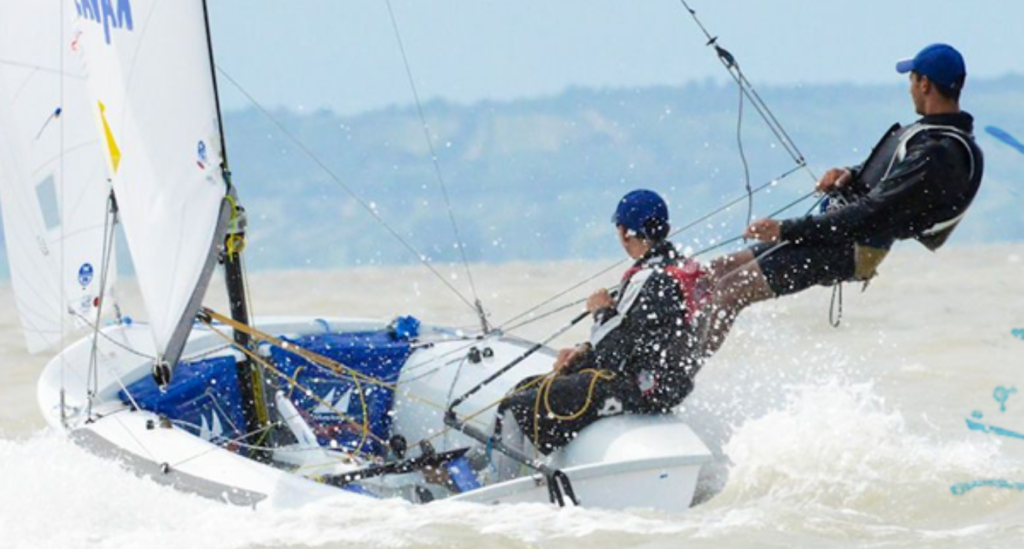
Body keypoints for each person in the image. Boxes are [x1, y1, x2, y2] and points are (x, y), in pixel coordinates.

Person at [702, 43, 985, 354]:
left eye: (911, 80)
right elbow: (879, 178)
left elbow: (871, 212)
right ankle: (658, 358)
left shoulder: (938, 152)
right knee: (714, 272)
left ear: (925, 83)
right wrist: (847, 173)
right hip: (836, 233)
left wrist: (785, 228)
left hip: (850, 247)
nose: (909, 90)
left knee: (729, 291)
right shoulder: (927, 136)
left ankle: (673, 381)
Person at [494, 189, 707, 461]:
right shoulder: (678, 270)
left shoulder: (650, 280)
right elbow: (643, 339)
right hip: (665, 387)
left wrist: (601, 312)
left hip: (640, 391)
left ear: (625, 232)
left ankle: (502, 490)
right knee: (527, 386)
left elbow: (613, 359)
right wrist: (583, 351)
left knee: (516, 405)